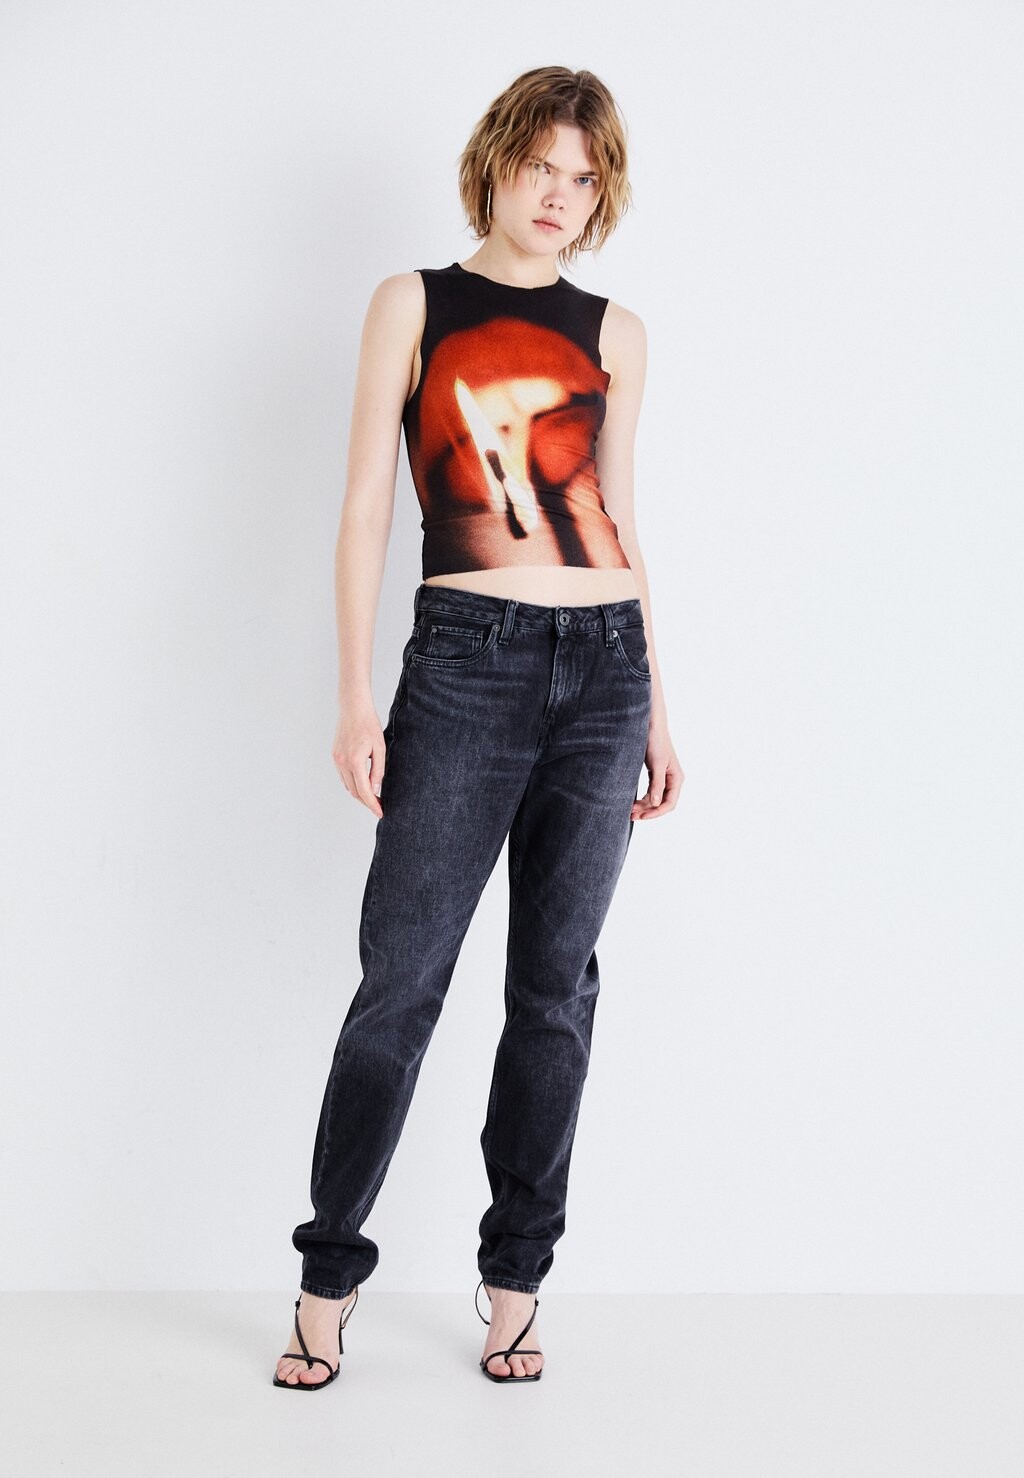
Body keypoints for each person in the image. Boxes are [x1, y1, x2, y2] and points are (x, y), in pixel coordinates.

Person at [273, 64, 683, 1390]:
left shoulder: (617, 332)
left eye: (584, 180)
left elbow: (619, 519)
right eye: (541, 169)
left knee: (555, 992)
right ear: (497, 164)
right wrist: (354, 694)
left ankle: (516, 1282)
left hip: (604, 672)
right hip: (465, 665)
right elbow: (365, 506)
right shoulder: (415, 302)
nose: (560, 197)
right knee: (400, 984)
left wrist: (658, 702)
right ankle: (327, 1276)